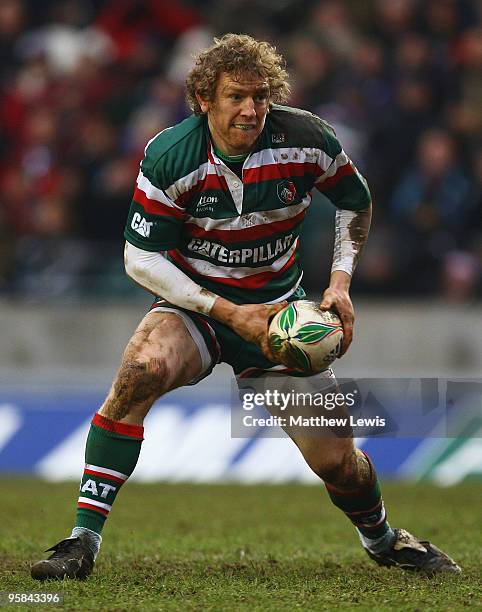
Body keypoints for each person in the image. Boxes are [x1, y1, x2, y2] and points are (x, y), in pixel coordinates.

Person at [31, 34, 460, 580]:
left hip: (281, 316)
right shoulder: (170, 156)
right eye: (236, 96)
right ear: (204, 98)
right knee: (141, 370)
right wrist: (228, 312)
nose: (251, 109)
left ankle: (383, 540)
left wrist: (341, 282)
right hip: (198, 310)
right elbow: (140, 259)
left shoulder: (306, 138)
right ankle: (81, 542)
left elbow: (356, 199)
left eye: (260, 96)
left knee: (337, 462)